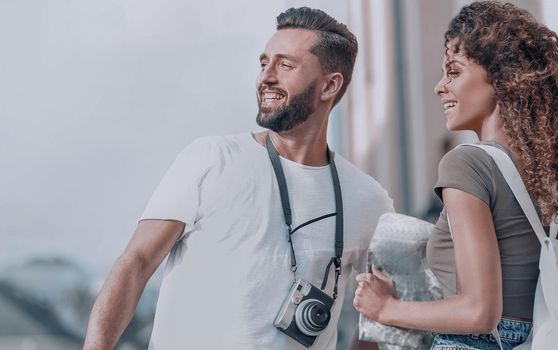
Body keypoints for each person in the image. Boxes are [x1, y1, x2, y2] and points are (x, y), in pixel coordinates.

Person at [83, 7, 393, 350]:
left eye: (285, 65)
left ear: (329, 85)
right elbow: (136, 263)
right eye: (264, 63)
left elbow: (378, 320)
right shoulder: (210, 158)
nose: (266, 77)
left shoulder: (369, 201)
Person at [353, 2, 558, 349]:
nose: (439, 87)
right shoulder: (543, 170)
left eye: (454, 71)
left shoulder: (466, 164)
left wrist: (386, 308)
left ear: (500, 76)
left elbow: (479, 311)